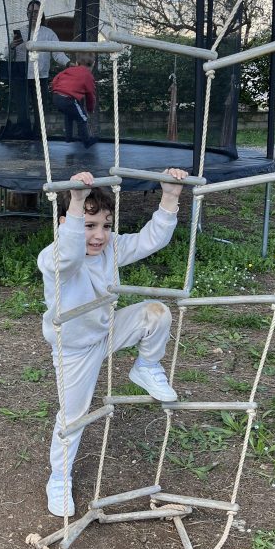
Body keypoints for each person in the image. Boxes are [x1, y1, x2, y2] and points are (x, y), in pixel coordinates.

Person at [37, 168, 188, 517]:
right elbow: (70, 254)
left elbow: (151, 240)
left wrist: (170, 196)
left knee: (155, 313)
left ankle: (146, 366)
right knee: (73, 416)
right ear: (66, 223)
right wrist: (76, 200)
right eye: (89, 225)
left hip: (106, 330)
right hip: (75, 347)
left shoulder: (112, 247)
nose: (99, 235)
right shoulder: (54, 257)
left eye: (106, 225)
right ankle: (59, 478)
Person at [13, 0, 69, 138]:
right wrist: (11, 47)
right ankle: (24, 136)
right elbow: (9, 55)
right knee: (22, 110)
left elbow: (58, 53)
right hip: (21, 76)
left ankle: (39, 136)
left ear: (41, 14)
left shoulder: (48, 33)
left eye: (36, 12)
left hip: (40, 76)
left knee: (41, 109)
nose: (32, 15)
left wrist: (68, 63)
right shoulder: (21, 31)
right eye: (30, 12)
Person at [50, 52, 98, 147]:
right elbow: (90, 95)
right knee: (83, 117)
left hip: (56, 97)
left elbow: (56, 79)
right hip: (68, 99)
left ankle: (68, 137)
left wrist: (55, 89)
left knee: (69, 114)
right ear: (92, 64)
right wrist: (90, 109)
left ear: (76, 63)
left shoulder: (69, 70)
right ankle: (87, 141)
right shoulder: (88, 75)